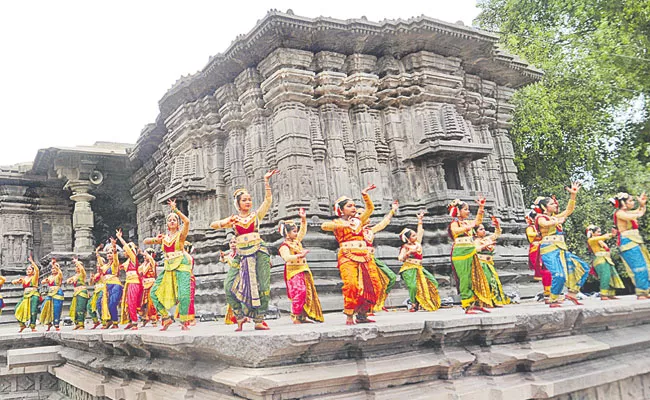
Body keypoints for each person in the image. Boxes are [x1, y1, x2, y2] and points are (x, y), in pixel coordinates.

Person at [210, 170, 279, 331]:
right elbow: (213, 225)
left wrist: (266, 181)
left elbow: (268, 201)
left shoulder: (256, 216)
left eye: (249, 199)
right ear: (238, 203)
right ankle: (239, 317)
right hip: (240, 255)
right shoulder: (234, 220)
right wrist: (225, 221)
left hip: (259, 251)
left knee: (263, 285)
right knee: (228, 286)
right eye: (244, 200)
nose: (248, 202)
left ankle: (259, 319)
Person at [321, 184, 383, 325]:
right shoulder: (337, 222)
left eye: (354, 205)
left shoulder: (359, 221)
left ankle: (362, 314)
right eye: (349, 206)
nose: (354, 208)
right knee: (351, 285)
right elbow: (324, 226)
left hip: (365, 256)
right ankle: (349, 314)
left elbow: (370, 209)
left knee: (374, 285)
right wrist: (344, 225)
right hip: (347, 255)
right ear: (341, 210)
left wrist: (365, 195)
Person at [535, 183, 590, 307]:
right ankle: (553, 299)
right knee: (559, 275)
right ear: (544, 207)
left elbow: (569, 210)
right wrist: (556, 221)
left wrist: (573, 195)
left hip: (561, 250)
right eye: (551, 204)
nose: (555, 205)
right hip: (549, 250)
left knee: (583, 268)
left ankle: (572, 293)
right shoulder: (540, 217)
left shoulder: (555, 217)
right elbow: (544, 224)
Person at [145, 199, 193, 331]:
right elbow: (145, 240)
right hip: (168, 268)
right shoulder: (164, 238)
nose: (172, 221)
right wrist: (157, 239)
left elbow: (187, 222)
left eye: (174, 220)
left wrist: (175, 209)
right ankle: (165, 317)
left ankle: (184, 322)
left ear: (178, 224)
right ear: (166, 224)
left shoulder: (181, 236)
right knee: (154, 293)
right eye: (170, 220)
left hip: (182, 265)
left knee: (184, 295)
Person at [278, 208, 324, 324]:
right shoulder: (284, 246)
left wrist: (303, 219)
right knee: (299, 292)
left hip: (303, 270)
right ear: (287, 233)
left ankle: (303, 317)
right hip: (293, 272)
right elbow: (287, 258)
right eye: (293, 231)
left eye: (296, 230)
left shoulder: (297, 241)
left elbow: (303, 231)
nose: (296, 233)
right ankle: (296, 316)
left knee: (307, 293)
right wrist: (299, 255)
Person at [448, 197, 493, 314]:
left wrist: (481, 207)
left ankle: (477, 302)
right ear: (458, 211)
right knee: (465, 278)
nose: (468, 212)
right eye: (465, 209)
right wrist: (469, 226)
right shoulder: (454, 223)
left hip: (471, 251)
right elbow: (456, 231)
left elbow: (477, 222)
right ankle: (467, 305)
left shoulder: (467, 222)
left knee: (476, 276)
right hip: (460, 253)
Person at [359, 201, 399, 312]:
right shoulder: (353, 231)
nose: (363, 215)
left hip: (372, 259)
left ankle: (379, 303)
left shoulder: (369, 231)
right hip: (360, 260)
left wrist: (392, 210)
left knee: (391, 277)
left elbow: (383, 223)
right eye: (359, 214)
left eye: (364, 213)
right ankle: (365, 308)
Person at [398, 210, 440, 312]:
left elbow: (420, 231)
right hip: (408, 268)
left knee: (433, 282)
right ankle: (413, 304)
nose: (415, 236)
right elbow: (400, 258)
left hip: (419, 268)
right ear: (407, 239)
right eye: (413, 235)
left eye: (415, 235)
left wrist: (420, 220)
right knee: (412, 287)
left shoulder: (418, 243)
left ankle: (425, 300)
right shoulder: (405, 246)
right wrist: (407, 254)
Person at [610, 192, 649, 298]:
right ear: (623, 203)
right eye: (630, 201)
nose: (632, 203)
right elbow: (638, 214)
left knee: (645, 266)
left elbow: (639, 212)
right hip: (628, 243)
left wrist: (642, 205)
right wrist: (641, 207)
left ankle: (645, 291)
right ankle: (641, 293)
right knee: (638, 268)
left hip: (634, 241)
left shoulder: (626, 213)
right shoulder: (619, 213)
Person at [474, 216, 510, 306]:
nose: (483, 231)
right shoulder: (476, 241)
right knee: (487, 282)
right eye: (481, 229)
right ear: (475, 232)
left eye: (484, 229)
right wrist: (486, 245)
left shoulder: (487, 238)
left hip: (489, 263)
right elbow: (476, 249)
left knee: (494, 281)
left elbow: (497, 234)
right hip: (481, 264)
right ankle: (486, 301)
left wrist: (497, 226)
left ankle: (494, 300)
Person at [586, 225, 624, 300]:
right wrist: (610, 234)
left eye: (600, 232)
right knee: (605, 277)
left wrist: (613, 234)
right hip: (600, 260)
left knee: (611, 276)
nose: (600, 233)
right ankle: (603, 294)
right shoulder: (591, 240)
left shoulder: (600, 241)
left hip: (607, 260)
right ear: (592, 233)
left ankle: (610, 294)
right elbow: (604, 237)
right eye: (598, 232)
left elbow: (603, 238)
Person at [116, 229, 144, 330]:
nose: (124, 252)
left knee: (132, 302)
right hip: (129, 283)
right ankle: (131, 321)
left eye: (125, 251)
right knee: (127, 302)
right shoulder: (127, 261)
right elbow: (117, 266)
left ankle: (135, 322)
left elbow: (127, 248)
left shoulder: (133, 258)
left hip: (134, 282)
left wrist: (120, 238)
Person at [96, 238, 123, 328]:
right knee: (100, 303)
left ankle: (115, 322)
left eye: (110, 253)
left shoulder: (115, 264)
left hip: (115, 285)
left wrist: (114, 246)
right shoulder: (105, 266)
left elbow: (115, 257)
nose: (109, 254)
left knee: (112, 303)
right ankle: (107, 320)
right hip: (106, 287)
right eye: (107, 253)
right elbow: (99, 260)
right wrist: (97, 251)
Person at [526, 210, 551, 302]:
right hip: (535, 248)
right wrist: (539, 234)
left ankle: (550, 290)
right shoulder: (531, 227)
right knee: (541, 268)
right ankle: (547, 292)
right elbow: (530, 235)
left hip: (545, 246)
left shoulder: (542, 226)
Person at [13, 256, 40, 332]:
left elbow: (37, 270)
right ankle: (22, 325)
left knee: (33, 310)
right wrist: (17, 281)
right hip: (25, 296)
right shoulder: (24, 278)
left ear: (33, 271)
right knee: (16, 308)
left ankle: (33, 326)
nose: (28, 271)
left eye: (30, 269)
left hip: (33, 295)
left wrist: (32, 261)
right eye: (27, 269)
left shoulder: (34, 277)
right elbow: (13, 282)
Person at [40, 258, 64, 331]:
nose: (53, 269)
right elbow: (42, 282)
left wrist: (54, 264)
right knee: (44, 307)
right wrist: (45, 280)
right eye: (52, 268)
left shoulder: (59, 275)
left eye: (55, 268)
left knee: (56, 309)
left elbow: (60, 273)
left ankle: (56, 324)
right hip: (50, 294)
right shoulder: (50, 277)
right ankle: (48, 322)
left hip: (58, 293)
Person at [66, 257, 89, 330]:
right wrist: (69, 280)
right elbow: (68, 281)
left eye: (78, 266)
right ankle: (77, 324)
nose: (77, 268)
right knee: (75, 309)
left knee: (80, 308)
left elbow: (81, 269)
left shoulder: (82, 274)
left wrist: (76, 262)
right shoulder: (75, 276)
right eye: (76, 267)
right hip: (76, 293)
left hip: (82, 292)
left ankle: (81, 324)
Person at [139, 248, 159, 327]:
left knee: (151, 303)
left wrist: (143, 253)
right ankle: (145, 318)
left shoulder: (152, 262)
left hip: (151, 283)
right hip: (144, 284)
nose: (144, 257)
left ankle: (154, 319)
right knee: (143, 303)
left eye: (146, 255)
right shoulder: (143, 265)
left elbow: (150, 259)